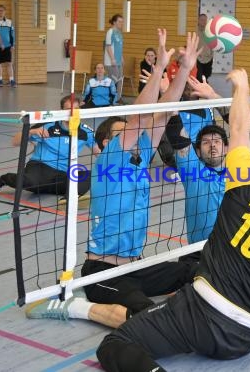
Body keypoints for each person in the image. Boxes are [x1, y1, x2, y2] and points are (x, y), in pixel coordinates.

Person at [95, 68, 250, 371]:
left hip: (201, 308)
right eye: (206, 141)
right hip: (244, 337)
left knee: (115, 344)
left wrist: (241, 85)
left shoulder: (241, 184)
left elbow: (238, 128)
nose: (212, 144)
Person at [26, 29, 202, 329]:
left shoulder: (141, 154)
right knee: (147, 318)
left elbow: (163, 112)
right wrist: (159, 67)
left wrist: (184, 69)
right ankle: (78, 306)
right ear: (106, 142)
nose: (132, 134)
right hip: (102, 273)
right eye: (122, 132)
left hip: (139, 266)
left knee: (199, 272)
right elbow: (139, 117)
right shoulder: (109, 159)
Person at [165, 75, 229, 262]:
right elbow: (178, 138)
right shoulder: (194, 173)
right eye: (207, 142)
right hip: (198, 254)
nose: (213, 145)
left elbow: (239, 122)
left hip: (229, 252)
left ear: (226, 147)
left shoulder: (237, 169)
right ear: (199, 151)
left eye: (217, 141)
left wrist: (213, 95)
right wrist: (167, 94)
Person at [0, 95, 99, 196]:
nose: (73, 113)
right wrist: (31, 132)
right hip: (40, 168)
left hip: (62, 175)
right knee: (30, 183)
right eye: (68, 109)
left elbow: (99, 153)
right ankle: (4, 179)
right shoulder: (48, 125)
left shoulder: (86, 132)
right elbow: (15, 142)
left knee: (89, 176)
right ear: (61, 111)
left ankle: (69, 199)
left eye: (76, 109)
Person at [0, 4, 16, 87]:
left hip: (7, 46)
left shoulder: (9, 22)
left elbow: (12, 34)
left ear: (4, 12)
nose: (0, 12)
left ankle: (11, 80)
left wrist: (12, 45)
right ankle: (0, 80)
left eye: (2, 10)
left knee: (9, 63)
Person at [104, 14, 124, 96]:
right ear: (114, 22)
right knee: (113, 80)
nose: (121, 23)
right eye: (119, 21)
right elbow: (108, 46)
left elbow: (119, 47)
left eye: (122, 22)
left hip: (118, 61)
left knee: (119, 80)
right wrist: (112, 59)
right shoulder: (110, 32)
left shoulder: (119, 33)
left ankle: (118, 98)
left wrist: (122, 57)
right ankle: (110, 99)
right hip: (111, 62)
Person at [196, 13, 213, 82]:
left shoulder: (210, 31)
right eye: (202, 20)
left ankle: (205, 83)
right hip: (198, 58)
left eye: (205, 20)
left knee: (207, 74)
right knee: (199, 76)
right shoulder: (195, 31)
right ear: (198, 20)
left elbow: (213, 43)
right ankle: (201, 87)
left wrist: (211, 53)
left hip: (208, 57)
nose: (203, 22)